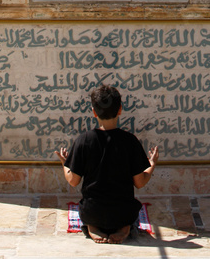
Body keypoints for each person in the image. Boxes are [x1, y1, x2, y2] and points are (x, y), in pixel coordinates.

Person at [55, 84, 158, 244]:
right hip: (123, 212)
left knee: (89, 210)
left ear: (94, 112)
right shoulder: (130, 141)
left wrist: (65, 164)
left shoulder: (84, 140)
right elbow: (140, 182)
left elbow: (73, 180)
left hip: (92, 212)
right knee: (129, 212)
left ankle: (93, 227)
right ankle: (124, 228)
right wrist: (152, 164)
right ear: (120, 110)